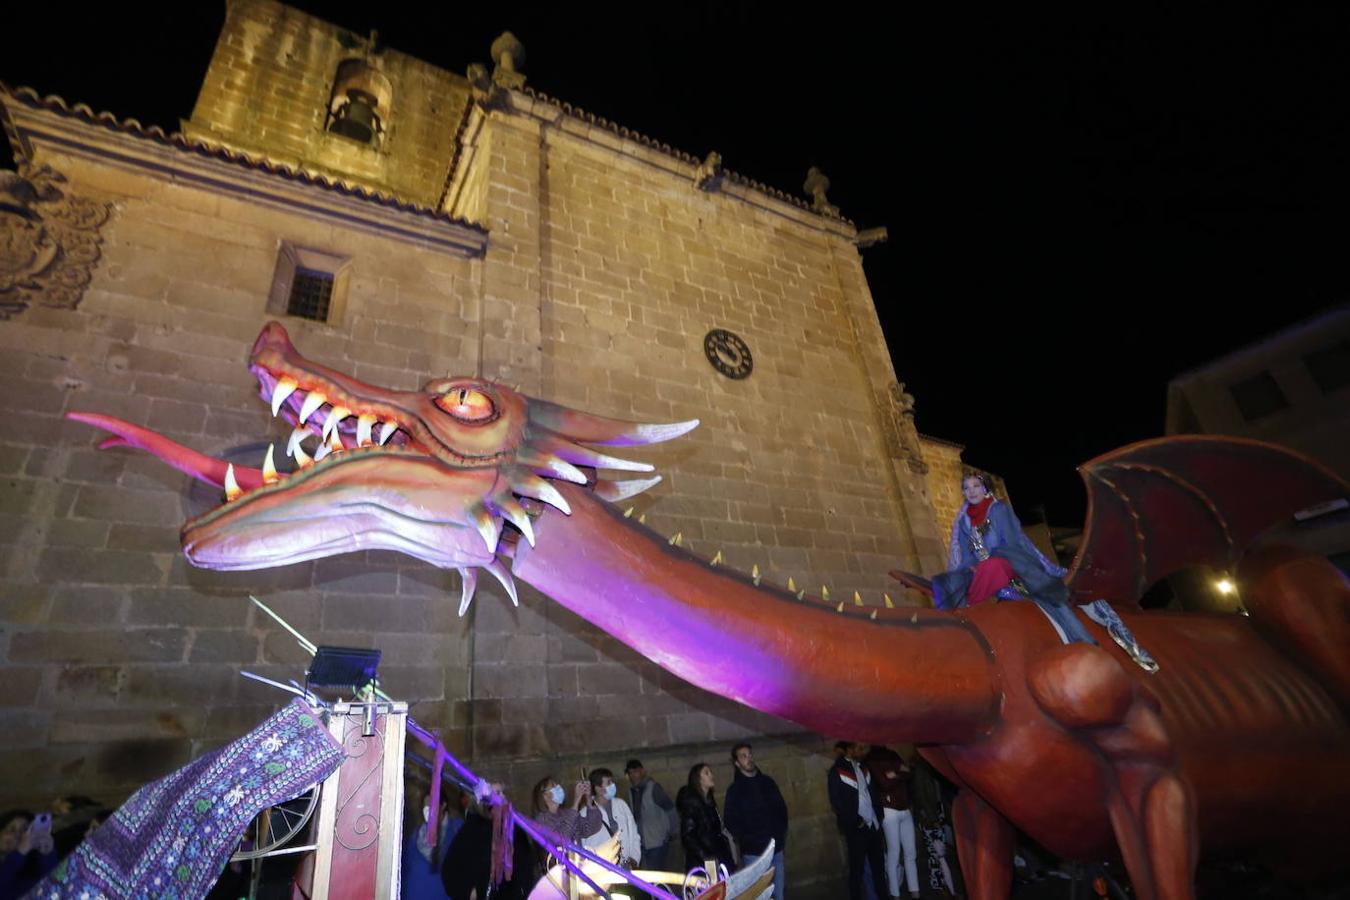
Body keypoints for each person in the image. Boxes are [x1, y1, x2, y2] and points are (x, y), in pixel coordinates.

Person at [932, 473, 1097, 644]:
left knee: (1050, 596)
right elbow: (966, 556)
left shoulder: (999, 510)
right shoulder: (964, 523)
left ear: (984, 488)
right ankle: (959, 622)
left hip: (1012, 563)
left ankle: (1083, 640)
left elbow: (1012, 542)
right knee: (945, 582)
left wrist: (987, 556)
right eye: (966, 488)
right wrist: (970, 567)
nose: (971, 491)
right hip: (984, 572)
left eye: (975, 486)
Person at [722, 743, 788, 900]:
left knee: (778, 893)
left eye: (750, 754)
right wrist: (748, 839)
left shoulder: (767, 783)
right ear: (737, 763)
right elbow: (731, 821)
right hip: (754, 854)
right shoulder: (735, 790)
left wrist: (779, 835)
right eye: (743, 756)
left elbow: (781, 810)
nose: (749, 758)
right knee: (760, 896)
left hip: (775, 850)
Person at [828, 742, 890, 900]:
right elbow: (837, 802)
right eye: (859, 748)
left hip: (873, 826)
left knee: (879, 869)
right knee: (857, 871)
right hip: (857, 829)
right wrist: (855, 821)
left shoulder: (864, 767)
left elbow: (873, 793)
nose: (863, 751)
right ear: (849, 750)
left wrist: (879, 815)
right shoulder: (837, 771)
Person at [865, 745, 919, 899]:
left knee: (910, 853)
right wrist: (900, 772)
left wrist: (895, 774)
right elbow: (884, 783)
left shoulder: (893, 753)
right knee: (894, 853)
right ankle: (895, 895)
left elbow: (909, 773)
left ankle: (915, 892)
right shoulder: (871, 759)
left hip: (904, 808)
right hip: (889, 810)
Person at [675, 764, 735, 873]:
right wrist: (706, 856)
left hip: (716, 856)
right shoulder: (691, 804)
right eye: (706, 773)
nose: (711, 775)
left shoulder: (709, 802)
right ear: (698, 779)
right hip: (704, 862)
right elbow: (688, 836)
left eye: (711, 772)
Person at [577, 768, 640, 868]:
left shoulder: (621, 805)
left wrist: (634, 859)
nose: (613, 785)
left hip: (626, 867)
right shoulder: (585, 813)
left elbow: (633, 833)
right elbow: (584, 845)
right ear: (598, 789)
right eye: (609, 783)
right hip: (601, 869)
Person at [625, 759, 677, 873]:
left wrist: (672, 832)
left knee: (657, 874)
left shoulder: (653, 788)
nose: (633, 776)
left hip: (657, 840)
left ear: (642, 771)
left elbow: (670, 809)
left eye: (636, 772)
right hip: (642, 843)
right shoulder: (632, 792)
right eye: (630, 773)